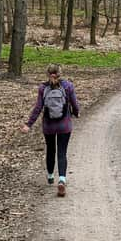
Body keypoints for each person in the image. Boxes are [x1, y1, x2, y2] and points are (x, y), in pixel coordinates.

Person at [21, 64, 80, 197]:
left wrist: (28, 125)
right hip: (64, 126)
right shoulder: (68, 86)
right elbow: (74, 103)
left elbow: (38, 108)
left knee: (50, 149)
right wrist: (76, 113)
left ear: (47, 74)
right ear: (60, 73)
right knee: (62, 152)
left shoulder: (43, 88)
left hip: (48, 126)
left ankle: (50, 176)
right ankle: (62, 180)